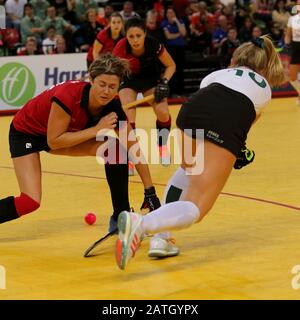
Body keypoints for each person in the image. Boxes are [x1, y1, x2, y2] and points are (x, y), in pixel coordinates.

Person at [114, 36, 286, 270]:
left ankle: (161, 239)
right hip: (225, 120)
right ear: (265, 67)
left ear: (234, 60)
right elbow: (238, 123)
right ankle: (141, 224)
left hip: (190, 112)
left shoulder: (216, 75)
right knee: (197, 206)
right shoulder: (264, 89)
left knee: (188, 170)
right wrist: (238, 152)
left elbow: (210, 103)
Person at [0, 54, 161, 234]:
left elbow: (133, 148)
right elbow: (54, 141)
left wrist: (150, 190)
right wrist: (97, 129)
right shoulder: (68, 96)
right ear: (91, 80)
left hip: (62, 135)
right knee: (30, 201)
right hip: (26, 133)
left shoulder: (113, 106)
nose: (106, 91)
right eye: (102, 84)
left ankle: (120, 216)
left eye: (112, 87)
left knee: (116, 150)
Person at [113, 17, 176, 175]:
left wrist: (164, 82)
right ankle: (130, 156)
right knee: (129, 115)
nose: (135, 40)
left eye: (138, 36)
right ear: (125, 36)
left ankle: (162, 146)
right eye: (131, 36)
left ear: (145, 34)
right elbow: (114, 72)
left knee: (163, 112)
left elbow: (171, 65)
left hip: (150, 80)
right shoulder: (120, 47)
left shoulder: (154, 45)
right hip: (128, 81)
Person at [284, 0, 300, 104]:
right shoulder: (292, 19)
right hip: (296, 47)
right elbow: (288, 35)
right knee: (293, 77)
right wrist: (286, 45)